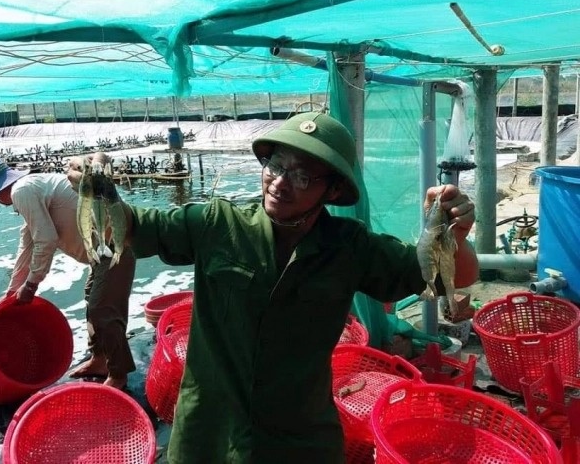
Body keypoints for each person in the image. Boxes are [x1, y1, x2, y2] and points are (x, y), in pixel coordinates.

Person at [68, 111, 479, 464]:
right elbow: (131, 227)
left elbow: (450, 277)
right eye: (276, 166)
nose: (280, 183)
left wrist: (455, 233)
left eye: (302, 176)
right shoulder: (217, 225)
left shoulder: (350, 247)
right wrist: (98, 188)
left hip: (299, 438)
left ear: (333, 190)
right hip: (209, 434)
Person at [0, 155, 136, 390]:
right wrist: (12, 291)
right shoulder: (30, 189)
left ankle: (118, 374)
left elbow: (46, 240)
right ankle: (100, 359)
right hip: (101, 254)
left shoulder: (22, 191)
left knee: (102, 309)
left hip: (116, 247)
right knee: (92, 298)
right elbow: (27, 246)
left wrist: (31, 285)